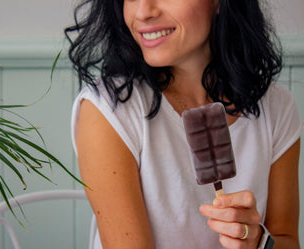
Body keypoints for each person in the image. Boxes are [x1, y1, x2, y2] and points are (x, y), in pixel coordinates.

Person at [65, 0, 302, 248]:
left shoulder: (277, 108)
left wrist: (258, 241)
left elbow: (287, 239)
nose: (143, 12)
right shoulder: (108, 110)